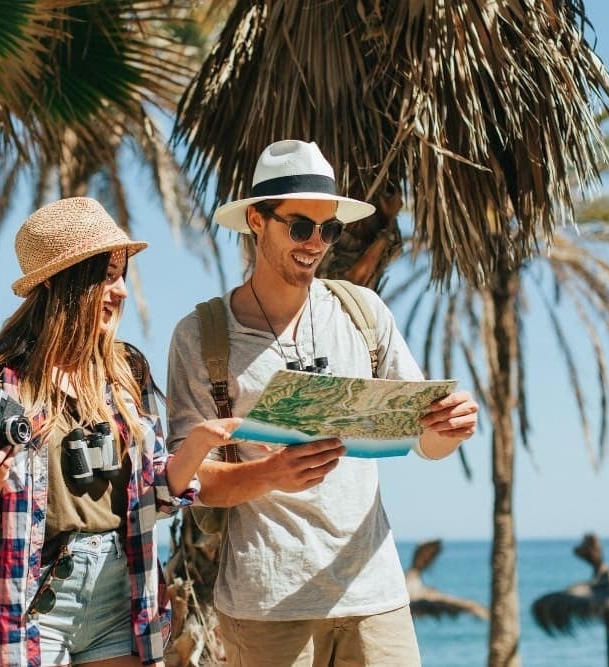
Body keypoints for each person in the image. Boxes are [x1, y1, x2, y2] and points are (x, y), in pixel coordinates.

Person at [166, 140, 479, 666]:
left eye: (328, 228)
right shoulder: (203, 336)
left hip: (375, 598)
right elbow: (185, 482)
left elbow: (423, 443)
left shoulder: (362, 312)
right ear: (256, 221)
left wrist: (450, 427)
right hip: (267, 606)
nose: (316, 242)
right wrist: (271, 474)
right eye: (299, 226)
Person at [0, 197, 240, 667]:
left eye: (122, 274)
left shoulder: (125, 369)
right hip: (28, 599)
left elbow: (157, 493)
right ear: (61, 284)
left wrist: (197, 445)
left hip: (123, 587)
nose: (120, 292)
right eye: (106, 276)